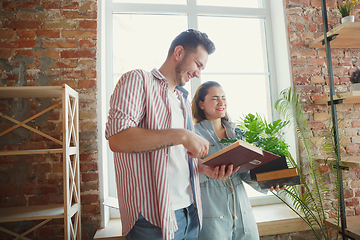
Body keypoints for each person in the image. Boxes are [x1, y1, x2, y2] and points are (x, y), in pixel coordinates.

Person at [105, 30, 236, 240]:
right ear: (179, 52)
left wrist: (202, 168)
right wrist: (183, 135)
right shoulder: (138, 80)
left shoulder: (182, 100)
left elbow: (174, 157)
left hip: (191, 213)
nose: (198, 73)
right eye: (198, 64)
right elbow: (118, 139)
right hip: (150, 218)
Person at [192, 81, 278, 240]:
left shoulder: (237, 133)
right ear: (201, 104)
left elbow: (245, 173)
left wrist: (269, 181)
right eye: (215, 98)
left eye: (223, 97)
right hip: (212, 215)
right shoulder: (193, 135)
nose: (221, 102)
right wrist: (209, 173)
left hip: (243, 215)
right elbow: (187, 174)